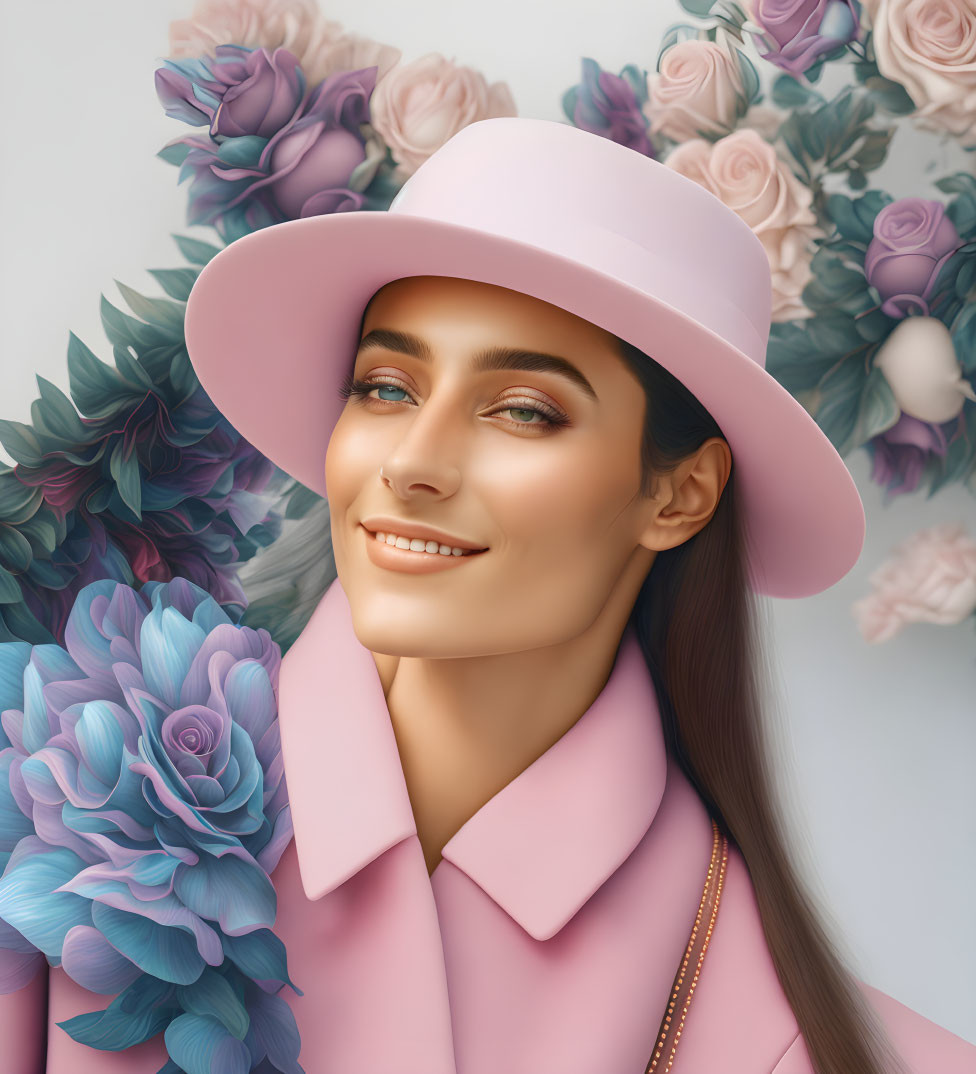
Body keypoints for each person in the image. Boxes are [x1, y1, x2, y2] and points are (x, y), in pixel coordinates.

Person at [2, 117, 974, 1072]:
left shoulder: (785, 1031)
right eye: (384, 387)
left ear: (677, 495)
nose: (413, 464)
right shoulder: (57, 807)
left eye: (521, 410)